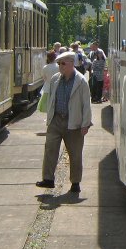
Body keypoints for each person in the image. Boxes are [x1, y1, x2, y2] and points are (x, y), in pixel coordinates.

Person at [36, 51, 92, 194]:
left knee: (75, 154)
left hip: (73, 122)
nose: (60, 66)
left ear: (71, 64)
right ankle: (48, 179)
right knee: (50, 149)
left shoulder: (81, 81)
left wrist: (86, 123)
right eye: (59, 63)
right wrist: (49, 118)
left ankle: (75, 182)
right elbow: (50, 99)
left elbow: (86, 104)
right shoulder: (55, 79)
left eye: (63, 63)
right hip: (56, 120)